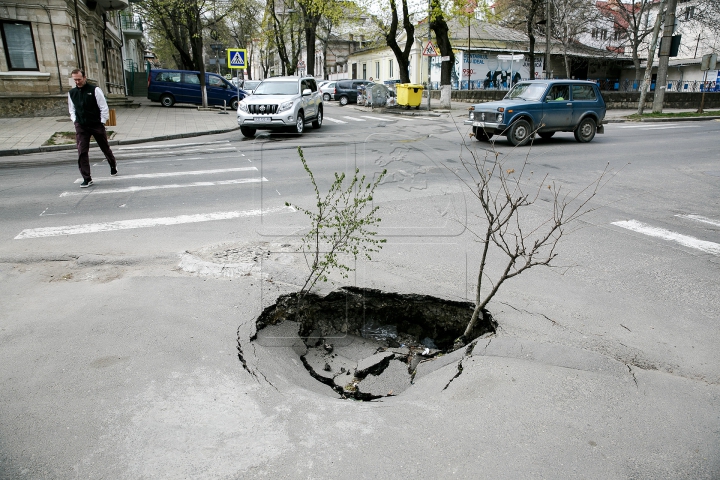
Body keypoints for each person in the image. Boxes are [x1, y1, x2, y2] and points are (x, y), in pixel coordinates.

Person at [68, 68, 118, 188]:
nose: (77, 82)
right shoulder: (72, 93)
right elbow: (72, 109)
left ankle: (112, 164)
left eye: (79, 79)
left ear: (84, 78)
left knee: (104, 147)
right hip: (81, 126)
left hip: (96, 124)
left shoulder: (94, 90)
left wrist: (101, 121)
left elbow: (103, 107)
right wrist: (75, 121)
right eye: (75, 80)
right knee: (82, 152)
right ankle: (87, 178)